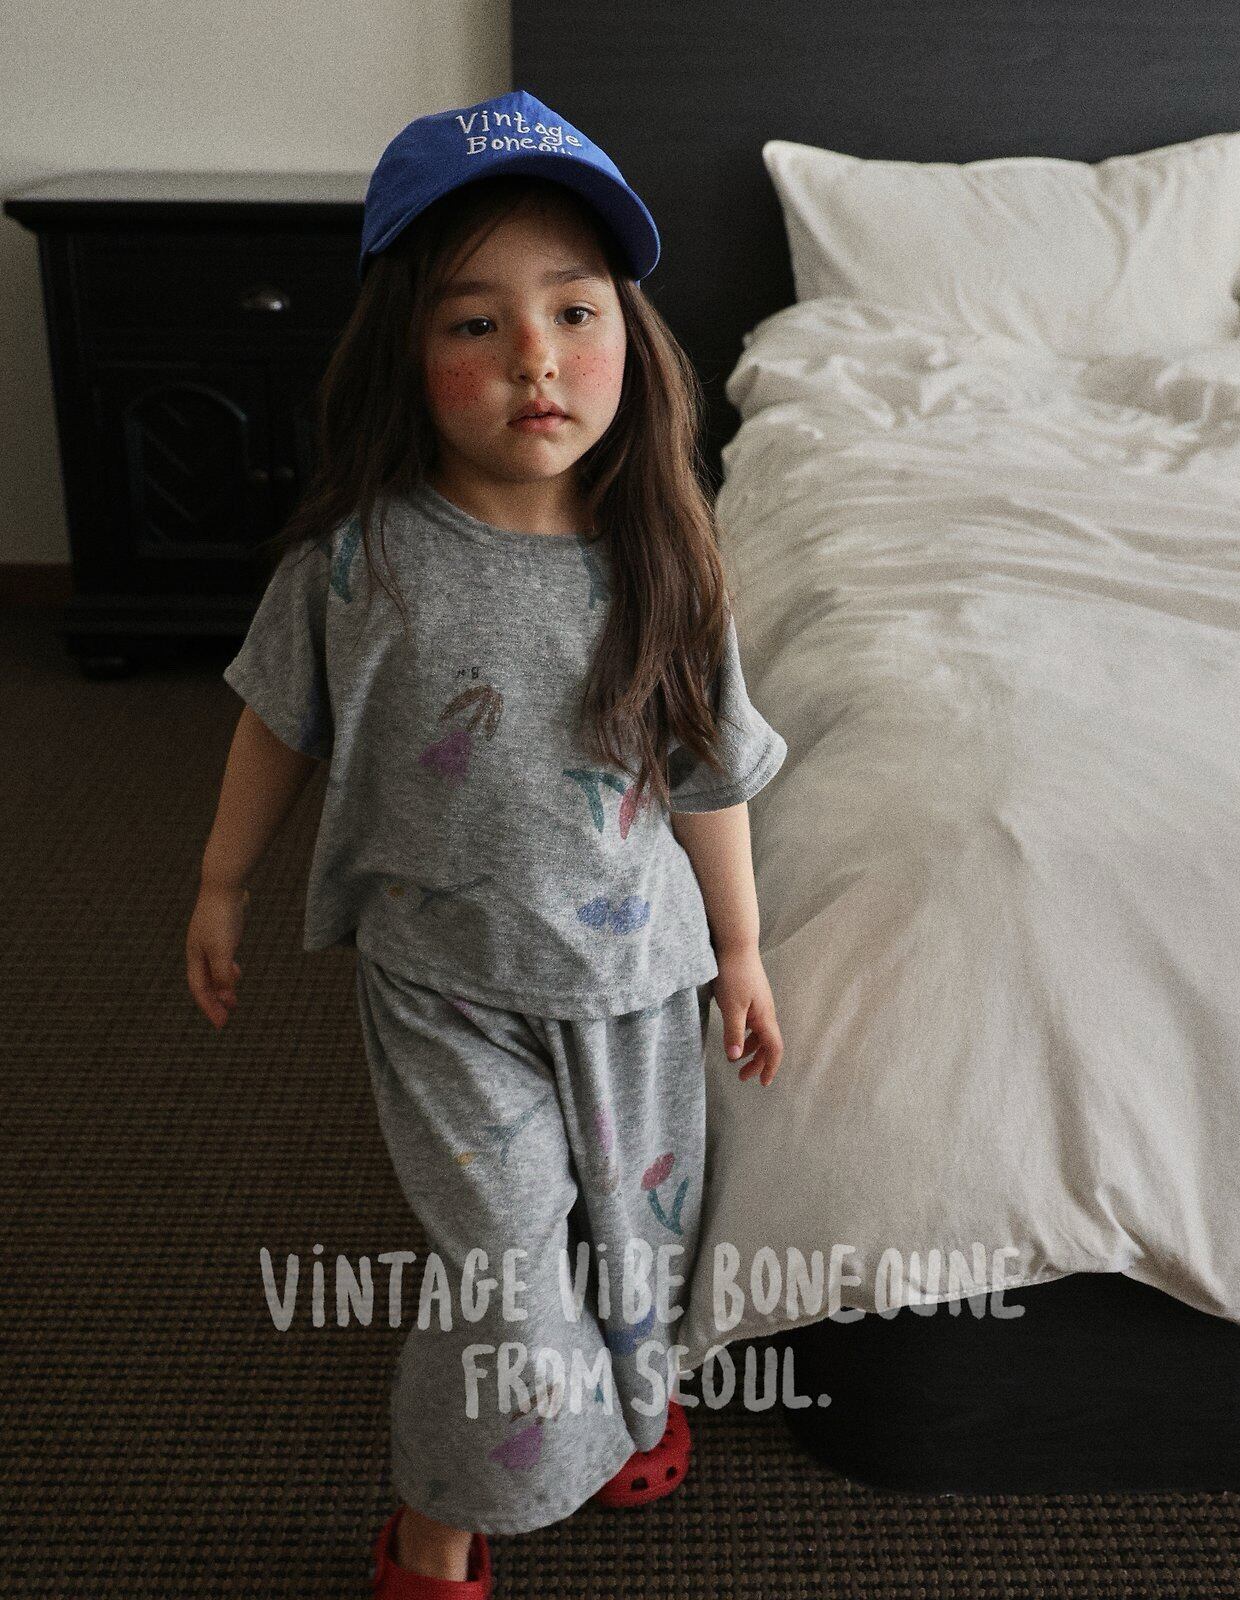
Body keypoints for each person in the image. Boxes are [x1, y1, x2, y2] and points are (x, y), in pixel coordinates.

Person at [185, 90, 788, 1598]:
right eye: (476, 323)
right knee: (509, 1274)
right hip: (446, 990)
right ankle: (437, 1525)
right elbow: (276, 725)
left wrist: (741, 949)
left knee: (634, 1247)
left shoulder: (668, 559)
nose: (535, 356)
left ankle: (627, 1412)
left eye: (574, 312)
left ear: (631, 336)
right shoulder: (357, 563)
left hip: (636, 987)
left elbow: (707, 774)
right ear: (405, 350)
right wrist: (220, 884)